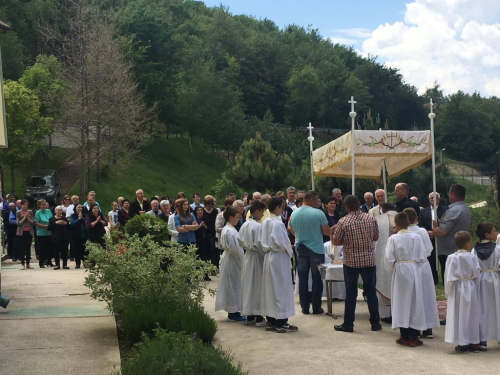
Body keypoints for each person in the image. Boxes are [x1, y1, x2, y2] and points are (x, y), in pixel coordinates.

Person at [384, 212, 440, 347]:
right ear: (409, 223)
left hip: (400, 270)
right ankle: (413, 336)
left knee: (401, 302)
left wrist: (394, 269)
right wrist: (415, 267)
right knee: (415, 301)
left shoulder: (393, 239)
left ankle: (404, 335)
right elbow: (422, 257)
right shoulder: (416, 237)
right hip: (414, 269)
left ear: (395, 225)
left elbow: (388, 258)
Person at [332, 195, 381, 333]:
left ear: (346, 207)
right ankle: (375, 322)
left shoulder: (343, 221)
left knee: (351, 293)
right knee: (371, 291)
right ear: (359, 204)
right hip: (369, 260)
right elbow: (376, 237)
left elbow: (336, 242)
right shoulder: (370, 218)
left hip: (351, 261)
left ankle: (348, 324)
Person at [289, 190, 330, 315]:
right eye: (317, 200)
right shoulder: (319, 213)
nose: (318, 203)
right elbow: (326, 232)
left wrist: (299, 235)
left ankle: (304, 306)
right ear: (311, 199)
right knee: (317, 278)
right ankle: (316, 307)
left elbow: (290, 228)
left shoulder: (294, 213)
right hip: (316, 249)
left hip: (300, 247)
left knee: (302, 278)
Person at [260, 197, 297, 333]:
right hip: (279, 257)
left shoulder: (265, 221)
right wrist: (290, 250)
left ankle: (271, 319)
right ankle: (281, 321)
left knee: (271, 288)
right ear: (277, 208)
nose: (283, 210)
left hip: (269, 256)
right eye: (282, 207)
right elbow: (283, 241)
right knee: (281, 288)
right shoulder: (277, 223)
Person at [403, 207, 440, 339]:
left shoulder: (402, 234)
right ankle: (428, 327)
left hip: (407, 268)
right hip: (422, 266)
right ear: (416, 218)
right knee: (426, 296)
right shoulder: (422, 231)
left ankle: (413, 327)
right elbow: (429, 250)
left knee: (412, 298)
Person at [444, 231, 481, 353]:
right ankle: (473, 341)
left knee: (459, 314)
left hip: (457, 288)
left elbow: (448, 277)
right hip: (470, 286)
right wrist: (473, 286)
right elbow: (477, 274)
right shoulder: (473, 257)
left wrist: (448, 292)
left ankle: (462, 342)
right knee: (471, 314)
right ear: (468, 243)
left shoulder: (451, 258)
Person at [432, 184, 471, 284]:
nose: (448, 196)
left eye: (449, 193)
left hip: (448, 251)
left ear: (453, 194)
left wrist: (435, 229)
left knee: (450, 279)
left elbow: (442, 231)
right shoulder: (465, 209)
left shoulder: (453, 211)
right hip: (460, 247)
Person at [471, 222, 500, 350]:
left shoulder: (474, 250)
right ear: (487, 234)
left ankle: (482, 339)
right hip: (494, 279)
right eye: (494, 231)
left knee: (482, 308)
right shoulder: (498, 249)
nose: (496, 233)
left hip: (480, 279)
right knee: (496, 308)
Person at [238, 201, 267, 326]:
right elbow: (260, 244)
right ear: (256, 212)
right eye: (262, 212)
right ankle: (259, 315)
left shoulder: (244, 225)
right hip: (256, 257)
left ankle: (249, 315)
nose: (262, 214)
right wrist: (265, 253)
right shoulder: (257, 226)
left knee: (248, 284)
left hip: (248, 256)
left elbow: (239, 240)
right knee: (257, 285)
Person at [215, 207, 246, 322]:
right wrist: (242, 262)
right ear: (231, 217)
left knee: (234, 285)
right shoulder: (229, 231)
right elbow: (235, 250)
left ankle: (234, 310)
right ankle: (233, 312)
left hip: (230, 259)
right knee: (233, 285)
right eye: (237, 217)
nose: (238, 220)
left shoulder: (229, 229)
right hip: (232, 260)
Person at [374, 203, 397, 324]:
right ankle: (398, 312)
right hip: (401, 262)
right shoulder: (403, 218)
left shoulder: (377, 220)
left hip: (382, 258)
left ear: (383, 210)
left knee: (383, 280)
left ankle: (385, 314)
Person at [418, 192, 448, 285]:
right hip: (429, 238)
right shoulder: (423, 211)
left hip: (442, 238)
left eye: (435, 198)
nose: (432, 200)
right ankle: (434, 280)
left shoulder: (445, 209)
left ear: (439, 199)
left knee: (443, 259)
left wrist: (437, 231)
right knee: (431, 259)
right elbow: (421, 225)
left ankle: (444, 279)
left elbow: (447, 223)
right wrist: (429, 232)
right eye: (431, 198)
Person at [48, 206, 70, 270]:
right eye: (57, 210)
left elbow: (69, 227)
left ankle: (65, 264)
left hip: (64, 237)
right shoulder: (51, 219)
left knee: (64, 251)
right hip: (56, 238)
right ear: (55, 211)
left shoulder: (64, 218)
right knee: (56, 252)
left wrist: (66, 223)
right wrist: (55, 223)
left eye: (60, 210)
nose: (59, 212)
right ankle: (57, 264)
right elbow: (49, 228)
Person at [16, 199, 34, 270]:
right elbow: (18, 223)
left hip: (28, 232)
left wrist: (28, 217)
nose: (25, 206)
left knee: (28, 248)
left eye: (26, 205)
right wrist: (24, 218)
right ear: (21, 205)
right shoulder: (18, 212)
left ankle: (28, 263)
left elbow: (32, 222)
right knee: (22, 248)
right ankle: (22, 263)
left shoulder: (30, 212)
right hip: (21, 232)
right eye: (24, 205)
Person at [35, 199, 54, 268]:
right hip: (41, 232)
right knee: (42, 248)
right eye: (42, 204)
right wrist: (45, 226)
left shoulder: (48, 211)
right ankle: (41, 262)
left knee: (50, 247)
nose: (44, 206)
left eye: (44, 204)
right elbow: (36, 222)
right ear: (39, 205)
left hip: (49, 232)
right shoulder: (38, 212)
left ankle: (49, 261)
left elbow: (52, 219)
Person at [202, 195, 218, 271]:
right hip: (205, 233)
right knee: (206, 251)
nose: (210, 206)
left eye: (211, 204)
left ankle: (213, 267)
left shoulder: (215, 211)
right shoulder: (202, 211)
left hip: (212, 231)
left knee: (213, 251)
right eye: (209, 204)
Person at [70, 204, 87, 268]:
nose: (80, 208)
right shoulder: (73, 215)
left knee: (85, 250)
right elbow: (72, 224)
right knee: (77, 250)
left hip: (84, 235)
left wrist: (82, 218)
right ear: (75, 208)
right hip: (76, 235)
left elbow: (87, 223)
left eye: (81, 207)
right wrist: (78, 219)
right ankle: (77, 263)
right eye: (78, 207)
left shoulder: (85, 215)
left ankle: (85, 263)